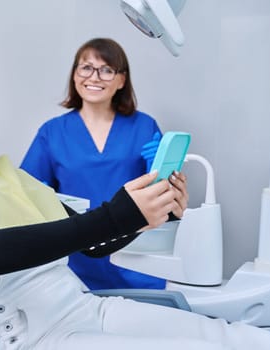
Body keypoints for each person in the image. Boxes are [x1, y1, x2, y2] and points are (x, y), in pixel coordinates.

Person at [0, 41, 270, 350]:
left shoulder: (5, 175)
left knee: (237, 339)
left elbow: (91, 244)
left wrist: (152, 211)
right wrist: (119, 214)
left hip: (80, 306)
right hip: (28, 334)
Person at [21, 37, 166, 290]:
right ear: (75, 75)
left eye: (107, 70)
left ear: (122, 80)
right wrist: (37, 195)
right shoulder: (53, 132)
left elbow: (167, 200)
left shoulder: (144, 126)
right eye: (86, 67)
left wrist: (163, 170)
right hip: (76, 260)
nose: (94, 77)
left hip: (135, 257)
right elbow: (25, 193)